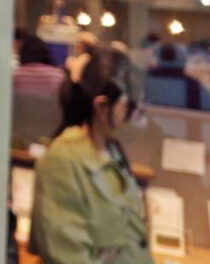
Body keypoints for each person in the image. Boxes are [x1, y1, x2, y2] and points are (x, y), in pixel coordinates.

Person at [29, 47, 150, 264]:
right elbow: (69, 255)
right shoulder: (62, 162)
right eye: (131, 105)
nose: (138, 114)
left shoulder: (112, 151)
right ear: (102, 106)